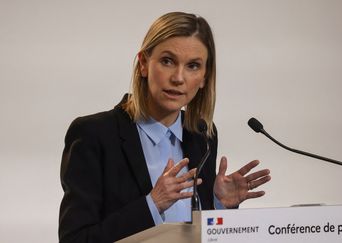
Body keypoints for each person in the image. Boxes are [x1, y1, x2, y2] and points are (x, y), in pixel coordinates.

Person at [59, 12, 271, 243]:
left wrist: (220, 206)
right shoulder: (94, 134)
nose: (178, 78)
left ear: (203, 78)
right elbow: (75, 239)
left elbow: (196, 235)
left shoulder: (203, 135)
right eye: (167, 61)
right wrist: (153, 204)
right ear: (143, 64)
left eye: (192, 66)